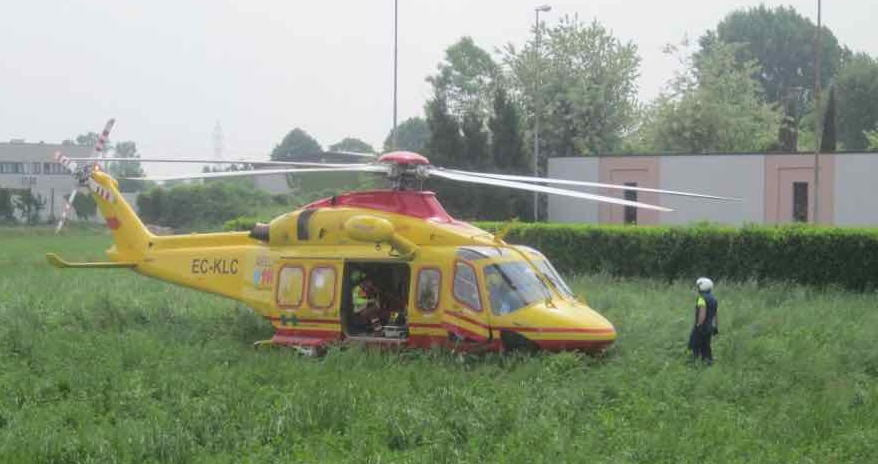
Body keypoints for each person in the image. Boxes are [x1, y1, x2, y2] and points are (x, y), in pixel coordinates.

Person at [688, 276, 719, 364]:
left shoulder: (701, 298)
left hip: (702, 326)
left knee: (694, 344)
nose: (697, 288)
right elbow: (716, 314)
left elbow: (702, 313)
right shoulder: (714, 299)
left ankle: (694, 362)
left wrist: (698, 325)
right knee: (706, 345)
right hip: (710, 327)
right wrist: (716, 326)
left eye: (698, 286)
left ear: (702, 287)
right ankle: (708, 361)